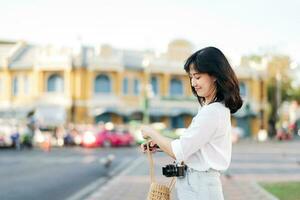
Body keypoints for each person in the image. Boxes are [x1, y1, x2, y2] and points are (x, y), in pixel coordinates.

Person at [141, 46, 243, 200]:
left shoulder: (212, 112)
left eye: (198, 76)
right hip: (198, 184)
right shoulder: (211, 109)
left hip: (200, 186)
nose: (193, 83)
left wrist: (151, 132)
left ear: (214, 75)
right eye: (191, 77)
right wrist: (159, 144)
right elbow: (194, 147)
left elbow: (179, 150)